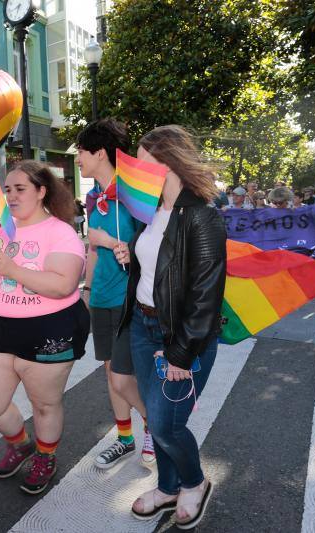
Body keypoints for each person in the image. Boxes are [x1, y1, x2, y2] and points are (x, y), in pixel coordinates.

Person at [113, 125, 226, 528]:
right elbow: (161, 268)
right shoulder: (152, 211)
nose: (135, 173)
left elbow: (205, 294)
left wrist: (182, 351)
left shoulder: (202, 217)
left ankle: (194, 483)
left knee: (166, 423)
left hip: (178, 336)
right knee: (155, 419)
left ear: (168, 162)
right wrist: (134, 255)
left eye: (143, 163)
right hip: (143, 327)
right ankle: (167, 486)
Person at [0, 160, 89, 495]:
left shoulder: (60, 232)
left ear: (41, 191)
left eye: (20, 189)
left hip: (50, 328)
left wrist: (13, 270)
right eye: (8, 189)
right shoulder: (0, 229)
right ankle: (21, 443)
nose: (12, 196)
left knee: (44, 403)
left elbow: (63, 285)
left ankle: (46, 455)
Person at [76, 119, 155, 470]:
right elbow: (93, 250)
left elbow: (151, 243)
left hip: (131, 297)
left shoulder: (134, 194)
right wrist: (88, 289)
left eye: (80, 151)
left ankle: (155, 426)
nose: (77, 158)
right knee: (111, 373)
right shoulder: (94, 199)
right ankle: (125, 439)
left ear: (99, 153)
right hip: (102, 297)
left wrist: (118, 245)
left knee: (127, 376)